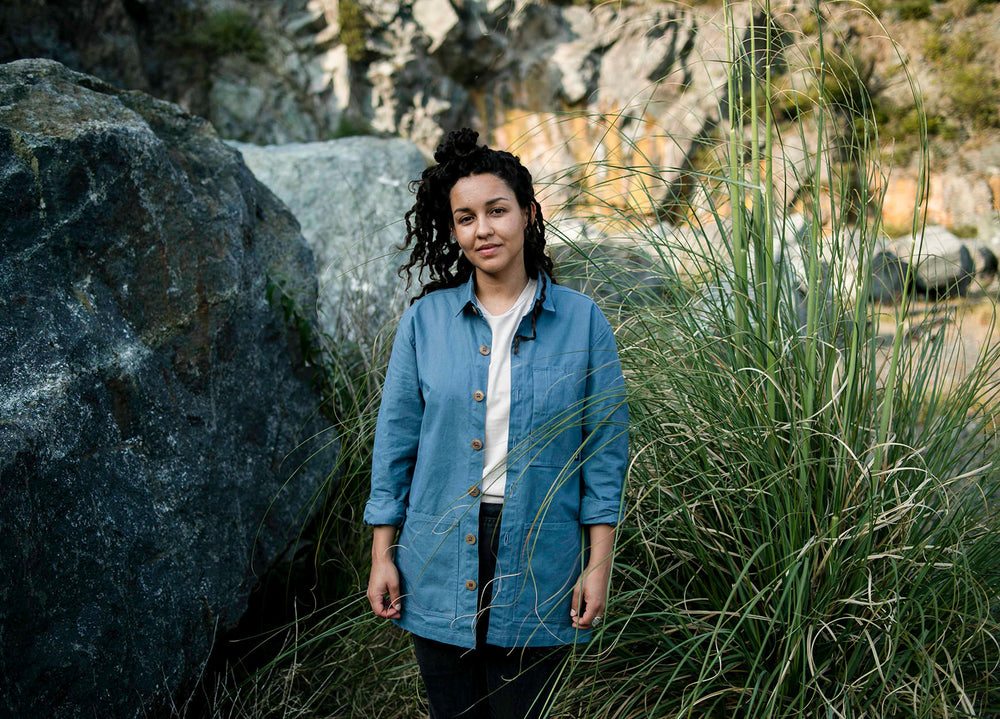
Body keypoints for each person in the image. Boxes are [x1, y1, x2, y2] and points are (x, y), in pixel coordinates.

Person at [364, 128, 629, 719]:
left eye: (496, 210)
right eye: (465, 218)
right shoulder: (425, 323)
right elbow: (395, 445)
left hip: (541, 557)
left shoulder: (583, 323)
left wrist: (597, 565)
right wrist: (383, 554)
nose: (482, 229)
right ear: (453, 230)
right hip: (435, 554)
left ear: (529, 214)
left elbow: (604, 454)